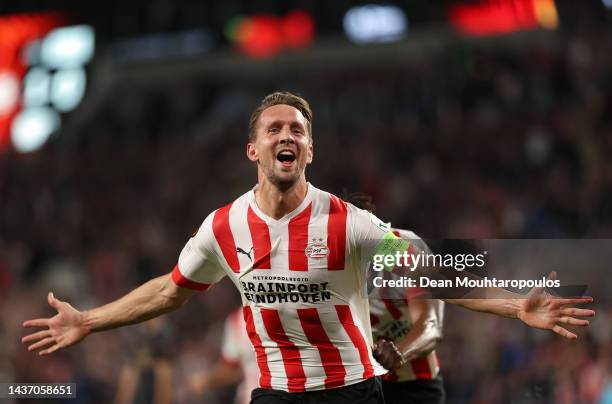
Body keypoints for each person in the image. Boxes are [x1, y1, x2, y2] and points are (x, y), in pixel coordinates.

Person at [22, 92, 595, 404]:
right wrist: (90, 321)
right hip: (274, 397)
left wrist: (516, 303)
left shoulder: (351, 224)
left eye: (296, 129)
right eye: (273, 129)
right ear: (253, 150)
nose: (285, 136)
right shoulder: (222, 227)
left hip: (351, 393)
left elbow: (438, 276)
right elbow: (171, 290)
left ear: (311, 149)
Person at [344, 192, 445, 404]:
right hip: (359, 386)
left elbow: (431, 327)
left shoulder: (408, 248)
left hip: (416, 386)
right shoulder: (326, 264)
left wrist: (399, 352)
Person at [187, 307, 258, 404]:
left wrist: (206, 380)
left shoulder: (239, 319)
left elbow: (230, 370)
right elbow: (232, 369)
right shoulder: (237, 319)